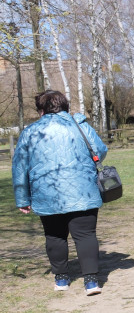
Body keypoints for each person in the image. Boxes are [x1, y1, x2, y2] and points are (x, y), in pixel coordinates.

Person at [13, 90, 110, 295]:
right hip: (83, 190)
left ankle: (61, 279)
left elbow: (20, 166)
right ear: (65, 106)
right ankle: (91, 282)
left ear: (41, 110)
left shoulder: (30, 132)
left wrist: (22, 198)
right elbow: (100, 150)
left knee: (55, 236)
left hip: (47, 193)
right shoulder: (80, 125)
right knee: (85, 235)